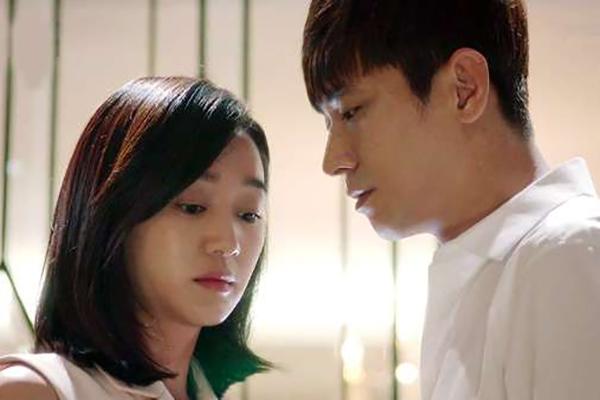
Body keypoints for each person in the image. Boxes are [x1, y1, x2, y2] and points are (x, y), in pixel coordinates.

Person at [302, 1, 600, 399]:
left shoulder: (566, 256)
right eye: (329, 123)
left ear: (464, 89)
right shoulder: (492, 274)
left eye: (352, 112)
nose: (333, 160)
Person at [0, 77, 271, 400]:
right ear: (113, 213)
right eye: (192, 207)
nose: (228, 243)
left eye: (248, 214)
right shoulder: (34, 391)